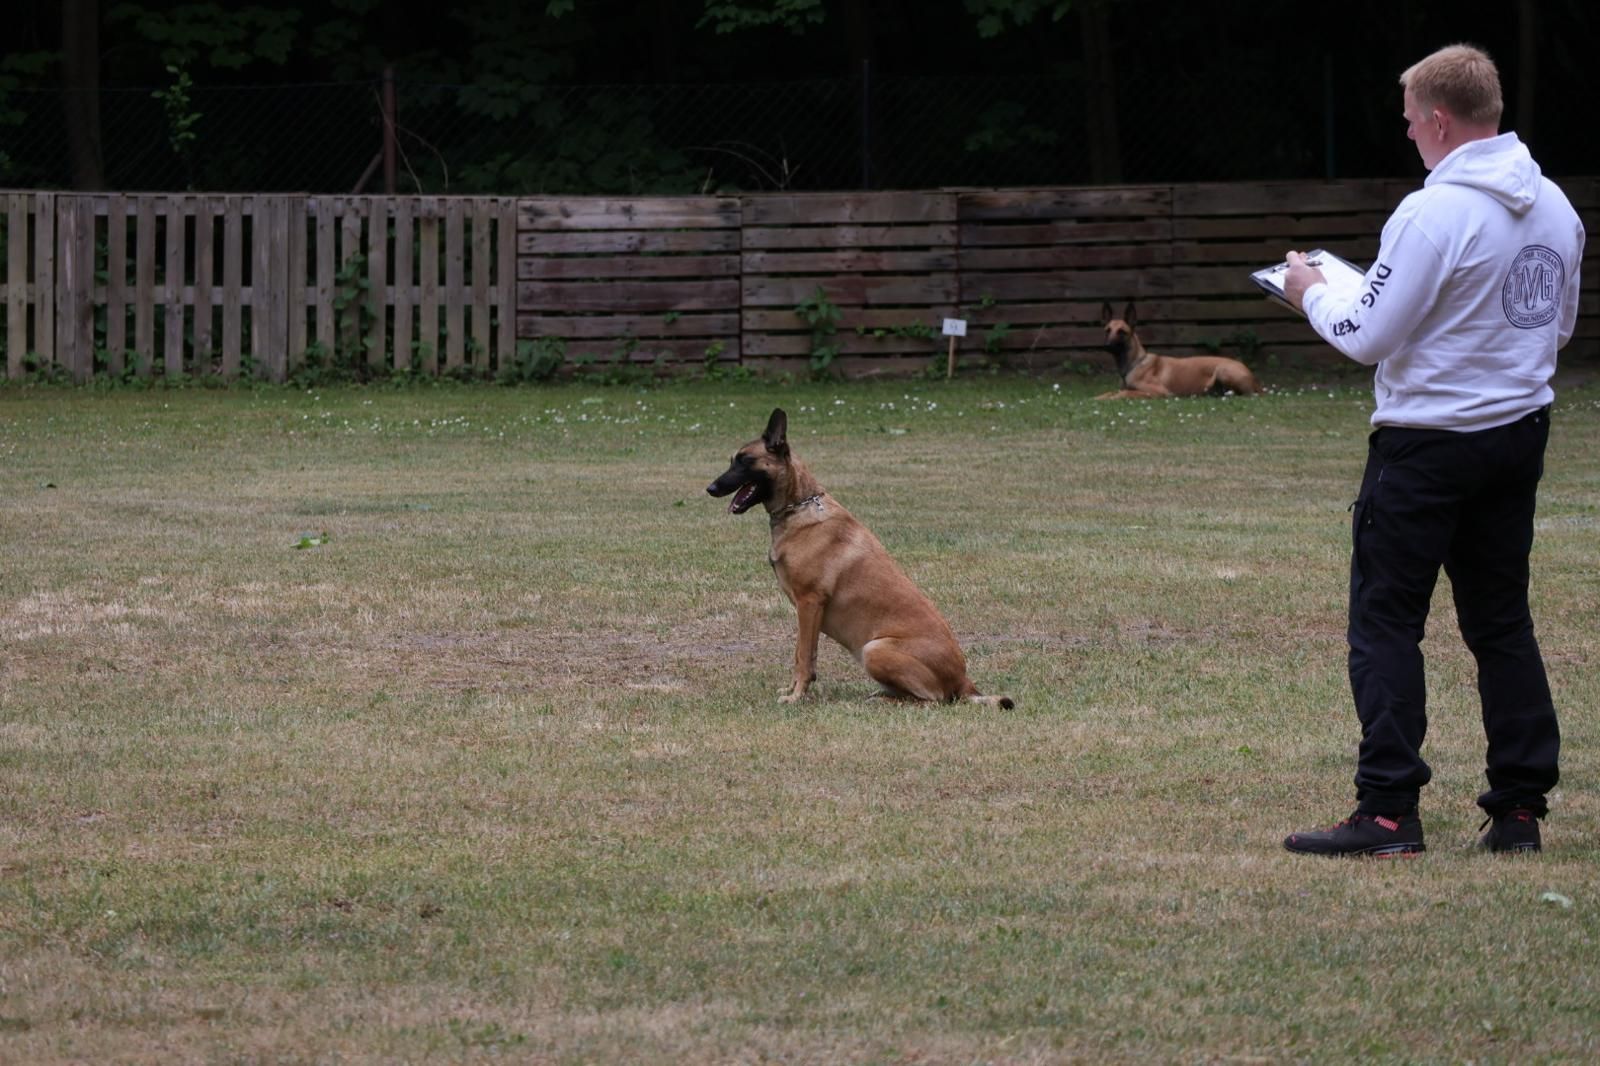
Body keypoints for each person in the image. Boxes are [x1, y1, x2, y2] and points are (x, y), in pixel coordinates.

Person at [1279, 43, 1585, 857]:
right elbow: (1553, 327)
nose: (1410, 134)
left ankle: (1387, 812)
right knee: (1501, 622)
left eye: (1412, 122)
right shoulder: (1556, 206)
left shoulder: (1431, 212)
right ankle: (1519, 812)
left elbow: (1366, 334)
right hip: (1516, 435)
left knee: (1386, 621)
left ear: (1440, 121)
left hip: (1427, 445)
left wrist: (1311, 292)